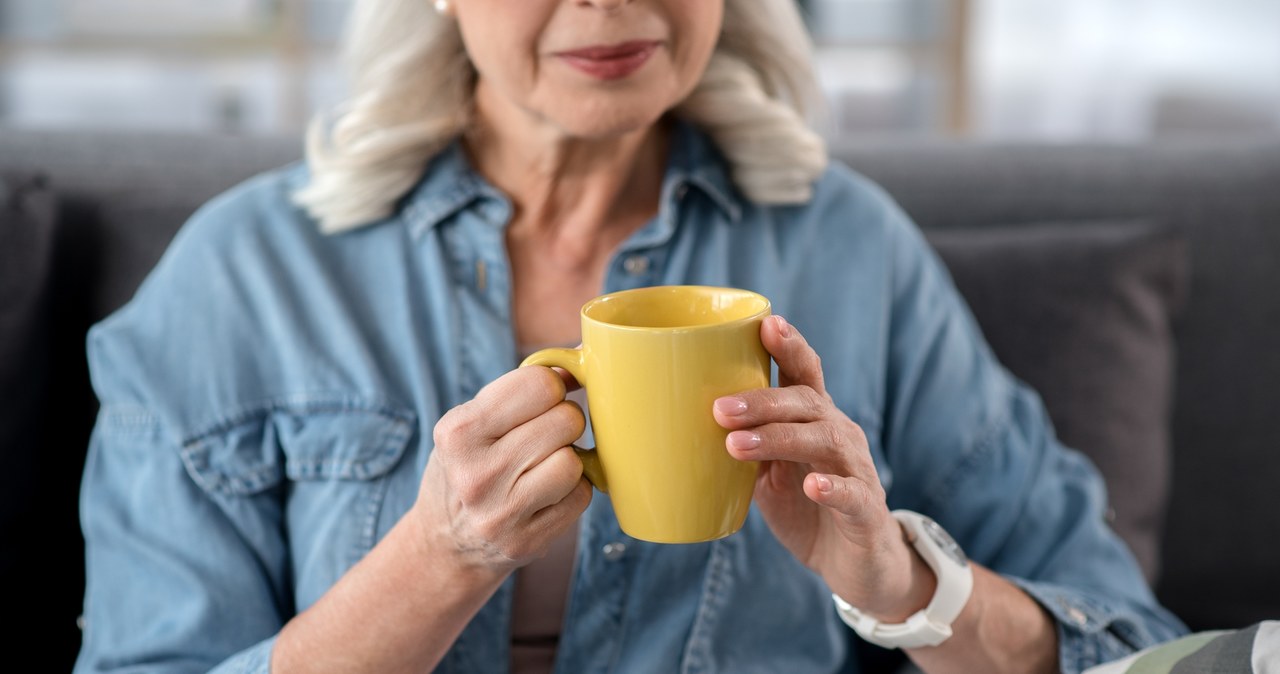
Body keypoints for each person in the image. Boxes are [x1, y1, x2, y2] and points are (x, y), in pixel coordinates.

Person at [74, 0, 1186, 672]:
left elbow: (1119, 644)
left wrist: (902, 585)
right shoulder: (244, 274)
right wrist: (437, 558)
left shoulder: (848, 249)